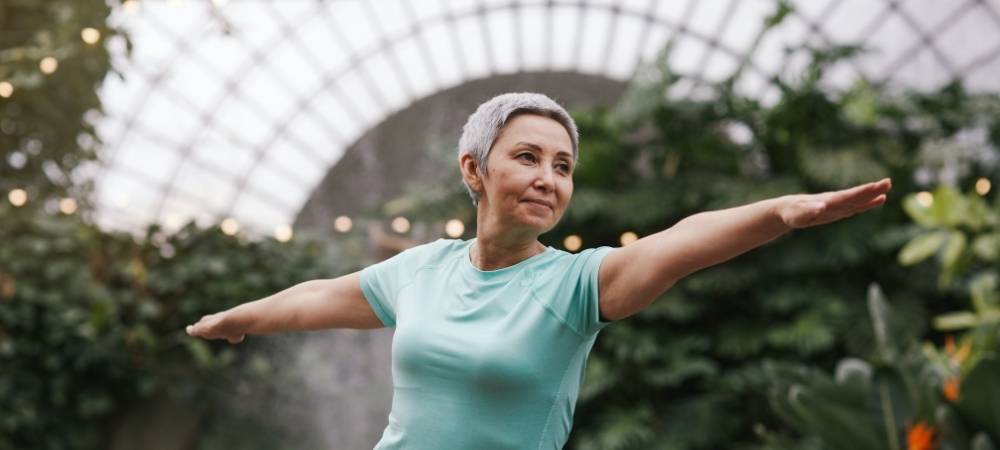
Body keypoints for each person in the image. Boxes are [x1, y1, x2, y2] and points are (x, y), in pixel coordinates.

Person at [186, 92, 892, 449]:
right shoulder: (421, 270)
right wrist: (238, 318)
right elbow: (317, 298)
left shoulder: (576, 287)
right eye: (527, 157)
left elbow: (683, 240)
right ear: (475, 168)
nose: (549, 179)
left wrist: (781, 212)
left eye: (563, 167)